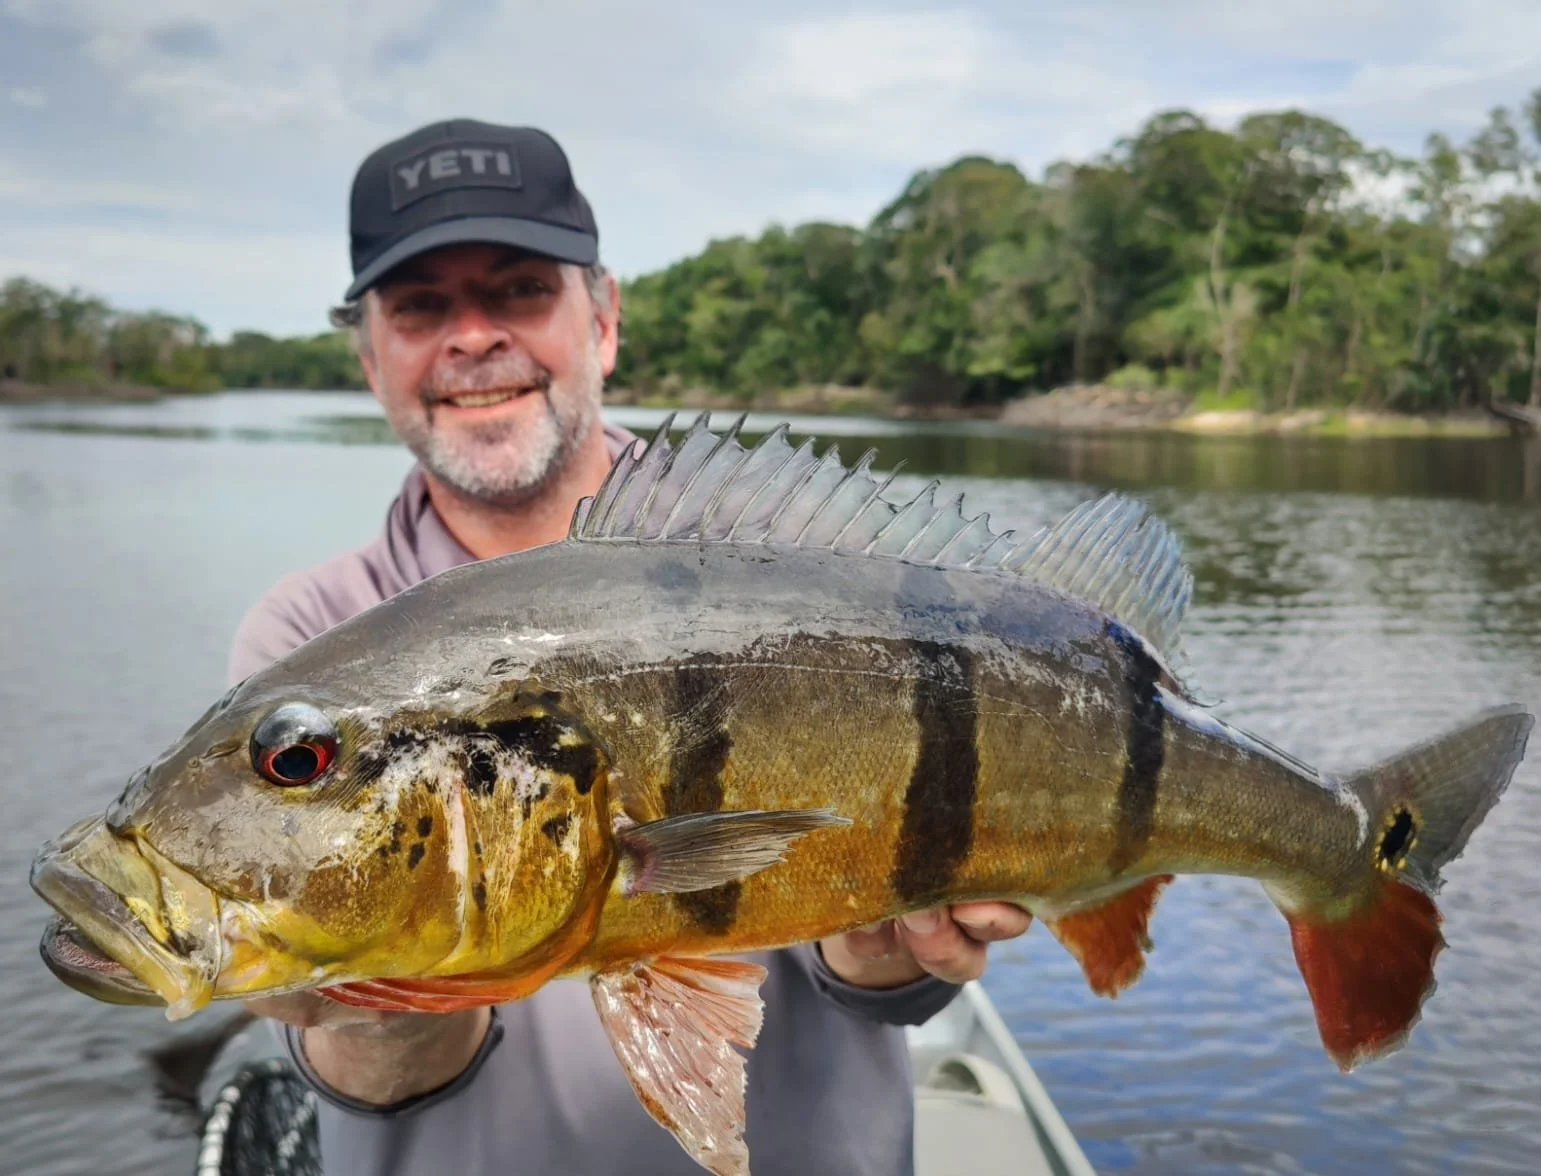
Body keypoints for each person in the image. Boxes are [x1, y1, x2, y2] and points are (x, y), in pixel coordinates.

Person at [227, 118, 1033, 1176]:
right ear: (371, 358)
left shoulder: (783, 560)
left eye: (518, 290)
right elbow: (371, 1069)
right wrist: (364, 999)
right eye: (421, 306)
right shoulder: (310, 648)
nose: (472, 336)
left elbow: (888, 966)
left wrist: (881, 949)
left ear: (602, 322)